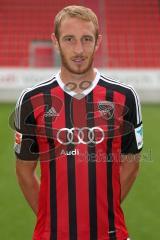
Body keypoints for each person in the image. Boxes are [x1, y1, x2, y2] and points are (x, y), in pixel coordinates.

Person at [14, 5, 143, 240]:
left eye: (86, 39)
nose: (79, 49)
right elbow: (24, 172)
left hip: (110, 234)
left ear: (98, 41)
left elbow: (131, 165)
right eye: (69, 39)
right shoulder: (32, 100)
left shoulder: (124, 97)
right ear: (55, 41)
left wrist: (102, 212)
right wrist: (53, 218)